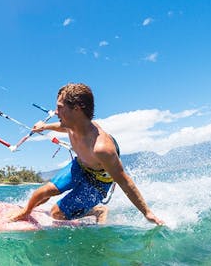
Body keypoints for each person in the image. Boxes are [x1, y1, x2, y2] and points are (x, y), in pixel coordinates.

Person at [11, 83, 164, 225]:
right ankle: (25, 212)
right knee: (44, 192)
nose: (56, 112)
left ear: (77, 108)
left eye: (60, 107)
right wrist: (45, 126)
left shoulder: (101, 148)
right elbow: (62, 127)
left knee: (56, 214)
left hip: (98, 182)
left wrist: (147, 213)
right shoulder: (72, 125)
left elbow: (125, 182)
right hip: (81, 165)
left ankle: (97, 211)